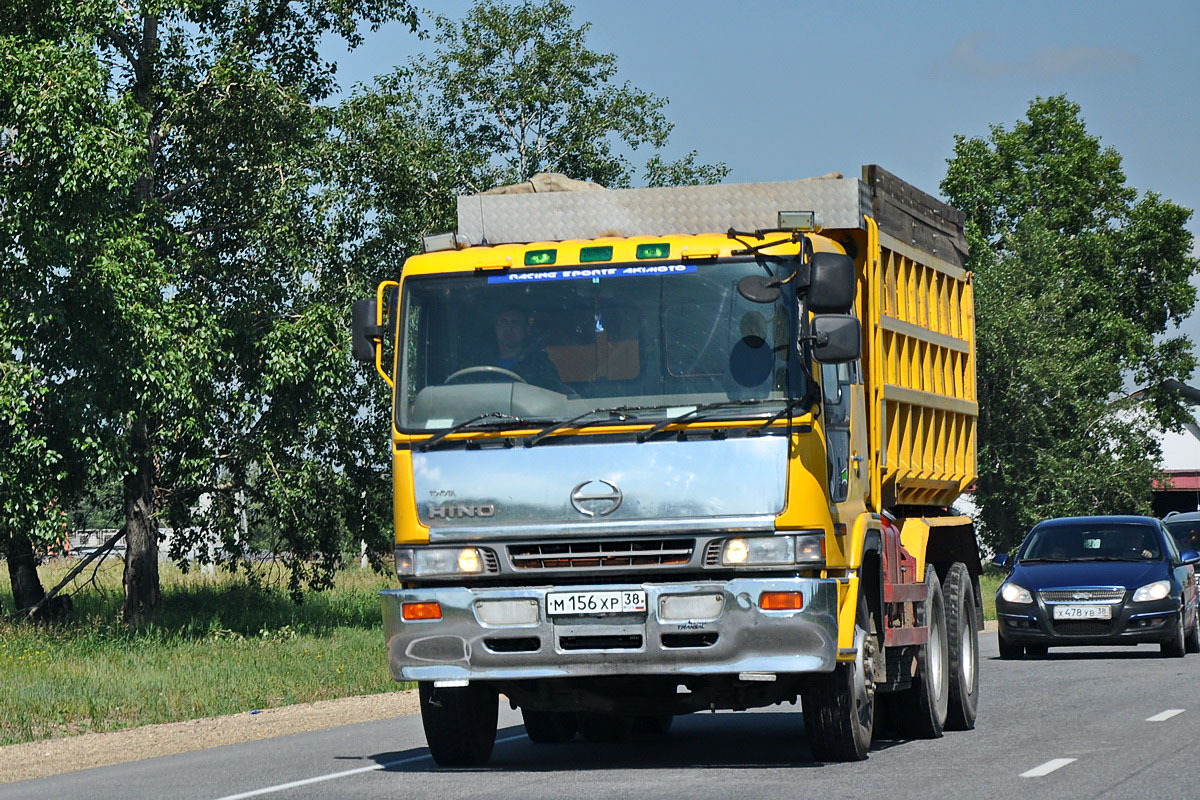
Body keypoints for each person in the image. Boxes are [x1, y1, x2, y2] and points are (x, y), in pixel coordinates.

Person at [492, 306, 566, 391]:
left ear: (526, 329)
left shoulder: (540, 366)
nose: (508, 327)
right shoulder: (481, 362)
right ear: (496, 328)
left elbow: (552, 396)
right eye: (504, 322)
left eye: (515, 322)